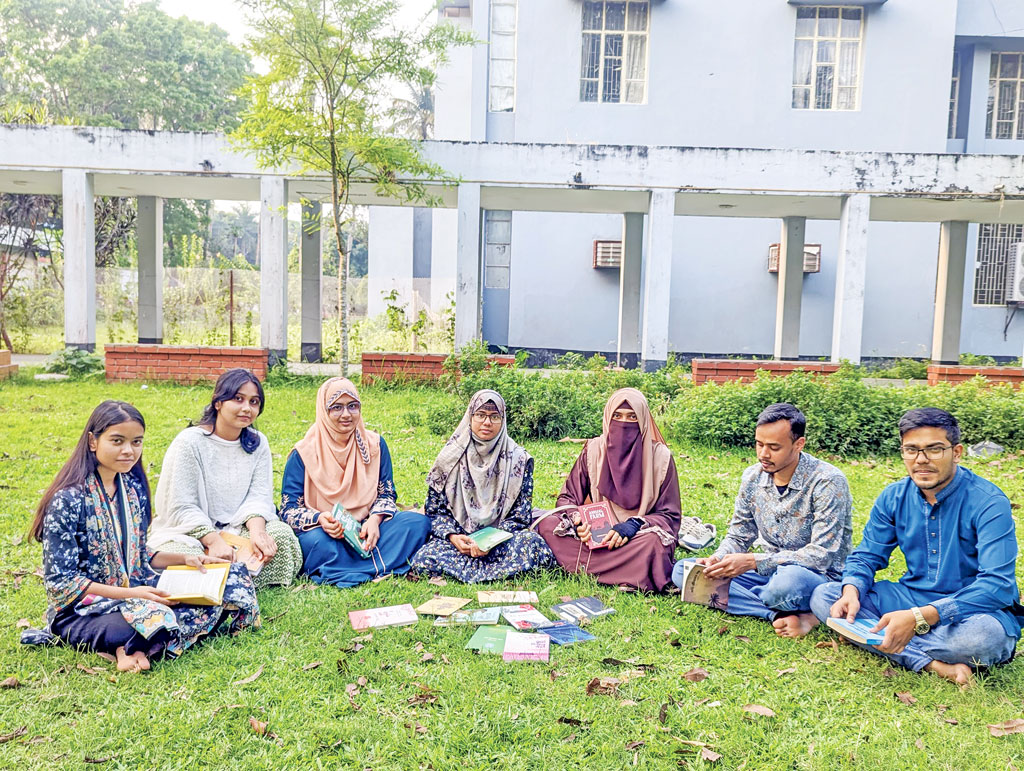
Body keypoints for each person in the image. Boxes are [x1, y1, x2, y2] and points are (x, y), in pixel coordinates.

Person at [21, 401, 259, 672]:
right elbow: (61, 584)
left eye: (136, 442)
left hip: (138, 591)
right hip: (82, 611)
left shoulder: (132, 489)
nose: (128, 450)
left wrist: (186, 558)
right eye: (117, 441)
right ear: (92, 441)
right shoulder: (68, 500)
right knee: (156, 616)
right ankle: (132, 644)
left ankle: (133, 646)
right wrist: (131, 594)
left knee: (231, 579)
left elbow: (139, 554)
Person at [811, 408, 1022, 685]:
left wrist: (920, 618)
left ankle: (883, 638)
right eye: (911, 450)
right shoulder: (894, 496)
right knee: (825, 597)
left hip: (971, 610)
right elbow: (866, 557)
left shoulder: (988, 502)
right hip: (910, 597)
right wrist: (851, 590)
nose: (921, 460)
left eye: (934, 449)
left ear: (956, 452)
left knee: (984, 639)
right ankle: (933, 664)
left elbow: (998, 586)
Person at [675, 403, 852, 637]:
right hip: (765, 572)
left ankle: (757, 598)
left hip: (814, 576)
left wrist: (753, 561)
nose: (763, 454)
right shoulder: (752, 477)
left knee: (786, 584)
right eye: (759, 444)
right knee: (684, 571)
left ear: (799, 444)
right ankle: (775, 614)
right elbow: (740, 534)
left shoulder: (827, 481)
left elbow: (821, 555)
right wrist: (718, 559)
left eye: (774, 447)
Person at [149, 368, 302, 589]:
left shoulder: (259, 443)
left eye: (254, 402)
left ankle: (228, 580)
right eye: (238, 399)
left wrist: (258, 533)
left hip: (238, 528)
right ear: (218, 402)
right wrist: (213, 540)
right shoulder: (190, 443)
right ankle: (229, 580)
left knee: (281, 537)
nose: (246, 408)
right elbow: (180, 505)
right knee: (184, 555)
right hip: (191, 532)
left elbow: (259, 496)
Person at [280, 377, 429, 585]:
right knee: (314, 544)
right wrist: (320, 519)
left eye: (353, 406)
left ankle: (347, 568)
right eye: (337, 408)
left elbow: (386, 493)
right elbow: (288, 511)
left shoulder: (374, 445)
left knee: (417, 523)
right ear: (324, 411)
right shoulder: (304, 453)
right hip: (327, 534)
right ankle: (378, 564)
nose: (346, 415)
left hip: (370, 529)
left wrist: (375, 520)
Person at [535, 388, 681, 592]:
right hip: (597, 534)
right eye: (617, 416)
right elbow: (567, 497)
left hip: (638, 536)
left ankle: (584, 566)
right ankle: (631, 573)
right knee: (548, 525)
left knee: (655, 544)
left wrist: (634, 524)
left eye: (632, 417)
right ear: (607, 417)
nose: (624, 423)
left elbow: (670, 516)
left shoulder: (661, 458)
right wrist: (578, 521)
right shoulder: (593, 449)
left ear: (643, 421)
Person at [409, 390, 555, 582]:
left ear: (503, 420)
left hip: (501, 540)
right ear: (470, 417)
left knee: (532, 545)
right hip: (459, 542)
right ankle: (498, 573)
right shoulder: (449, 458)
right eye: (480, 415)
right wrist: (453, 537)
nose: (487, 422)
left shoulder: (519, 459)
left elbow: (520, 516)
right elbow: (435, 511)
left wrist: (491, 541)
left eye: (494, 417)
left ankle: (471, 572)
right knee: (424, 558)